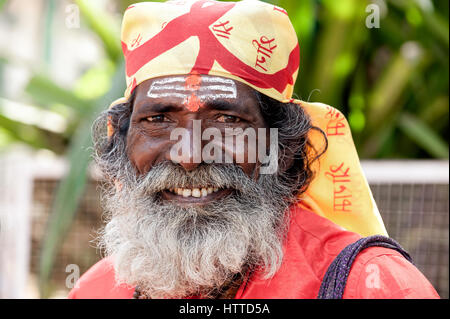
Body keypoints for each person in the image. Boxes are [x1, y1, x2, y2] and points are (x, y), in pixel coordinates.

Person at [68, 0, 439, 299]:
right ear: (121, 144)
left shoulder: (373, 285)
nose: (190, 155)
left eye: (228, 120)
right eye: (158, 119)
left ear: (284, 148)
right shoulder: (95, 290)